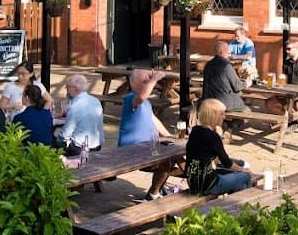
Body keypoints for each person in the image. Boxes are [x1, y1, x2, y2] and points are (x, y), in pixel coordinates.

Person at [117, 69, 175, 200]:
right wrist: (154, 79)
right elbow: (142, 97)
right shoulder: (130, 98)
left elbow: (154, 120)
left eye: (148, 81)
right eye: (144, 81)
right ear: (132, 83)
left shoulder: (146, 102)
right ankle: (154, 193)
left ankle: (159, 189)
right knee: (166, 160)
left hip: (147, 148)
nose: (148, 84)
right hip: (131, 150)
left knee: (176, 154)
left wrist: (170, 136)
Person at [184, 99, 253, 195]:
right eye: (222, 114)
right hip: (208, 185)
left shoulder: (195, 131)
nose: (224, 117)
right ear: (213, 115)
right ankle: (243, 204)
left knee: (237, 179)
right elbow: (227, 163)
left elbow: (214, 159)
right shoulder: (213, 136)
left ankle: (234, 204)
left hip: (193, 182)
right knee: (245, 176)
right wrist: (243, 170)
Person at [57, 73, 104, 151]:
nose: (66, 90)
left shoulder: (75, 106)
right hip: (97, 145)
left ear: (76, 89)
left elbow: (65, 134)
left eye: (68, 87)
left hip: (80, 148)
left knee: (52, 143)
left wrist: (58, 140)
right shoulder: (96, 101)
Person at [200, 41, 249, 113]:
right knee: (248, 111)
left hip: (209, 102)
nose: (229, 51)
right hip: (225, 104)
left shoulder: (208, 65)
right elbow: (237, 86)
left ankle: (227, 123)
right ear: (222, 51)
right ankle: (231, 124)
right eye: (228, 49)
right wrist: (247, 83)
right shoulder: (226, 66)